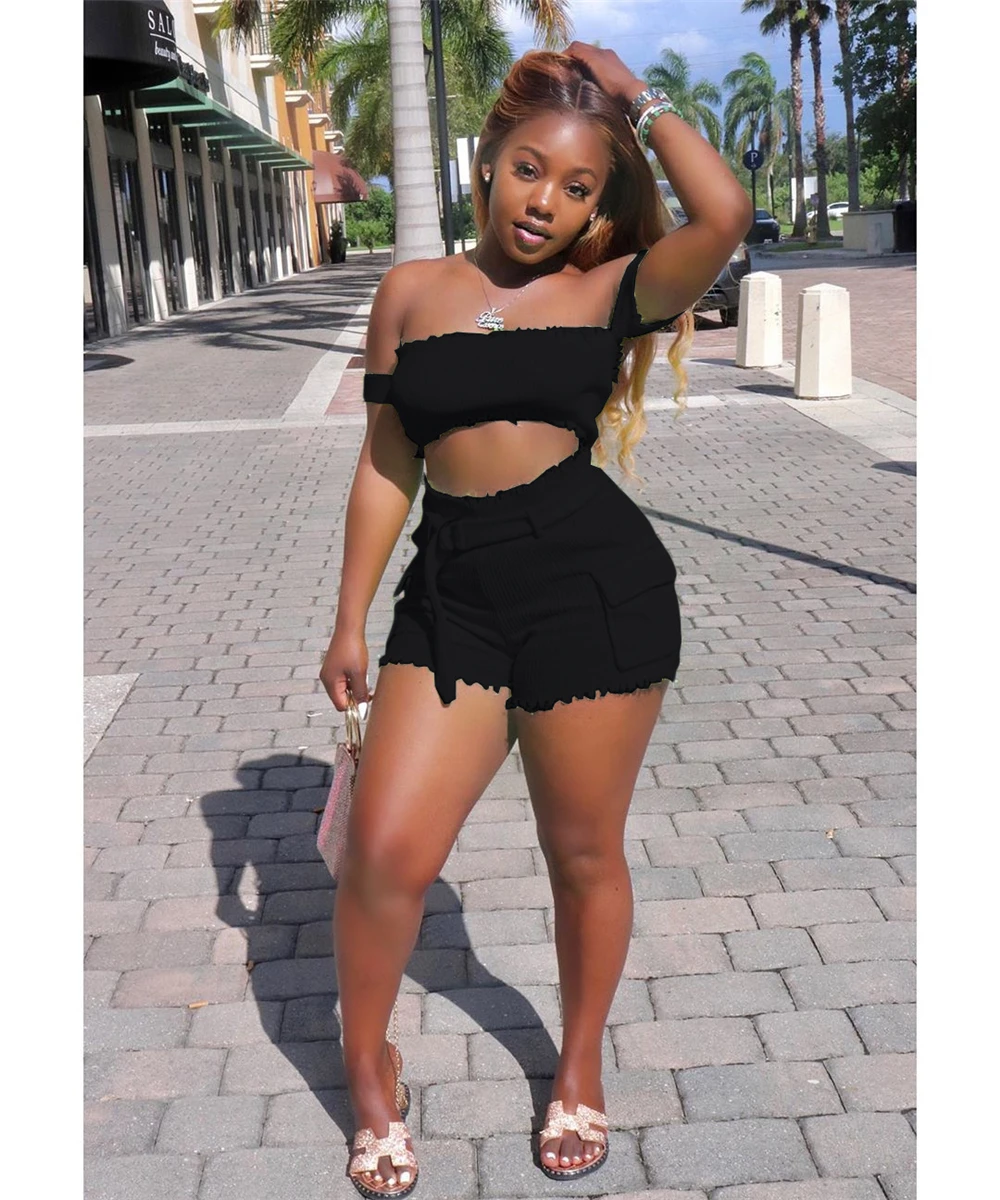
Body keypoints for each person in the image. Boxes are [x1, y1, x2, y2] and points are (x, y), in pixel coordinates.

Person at [319, 42, 752, 1199]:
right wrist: (350, 619)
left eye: (575, 187)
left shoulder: (613, 287)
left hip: (593, 595)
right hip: (451, 598)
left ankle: (577, 1068)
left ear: (595, 205)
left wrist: (637, 101)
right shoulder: (410, 294)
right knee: (383, 854)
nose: (544, 202)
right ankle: (370, 1076)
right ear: (486, 162)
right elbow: (387, 464)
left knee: (582, 853)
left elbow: (724, 214)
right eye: (527, 169)